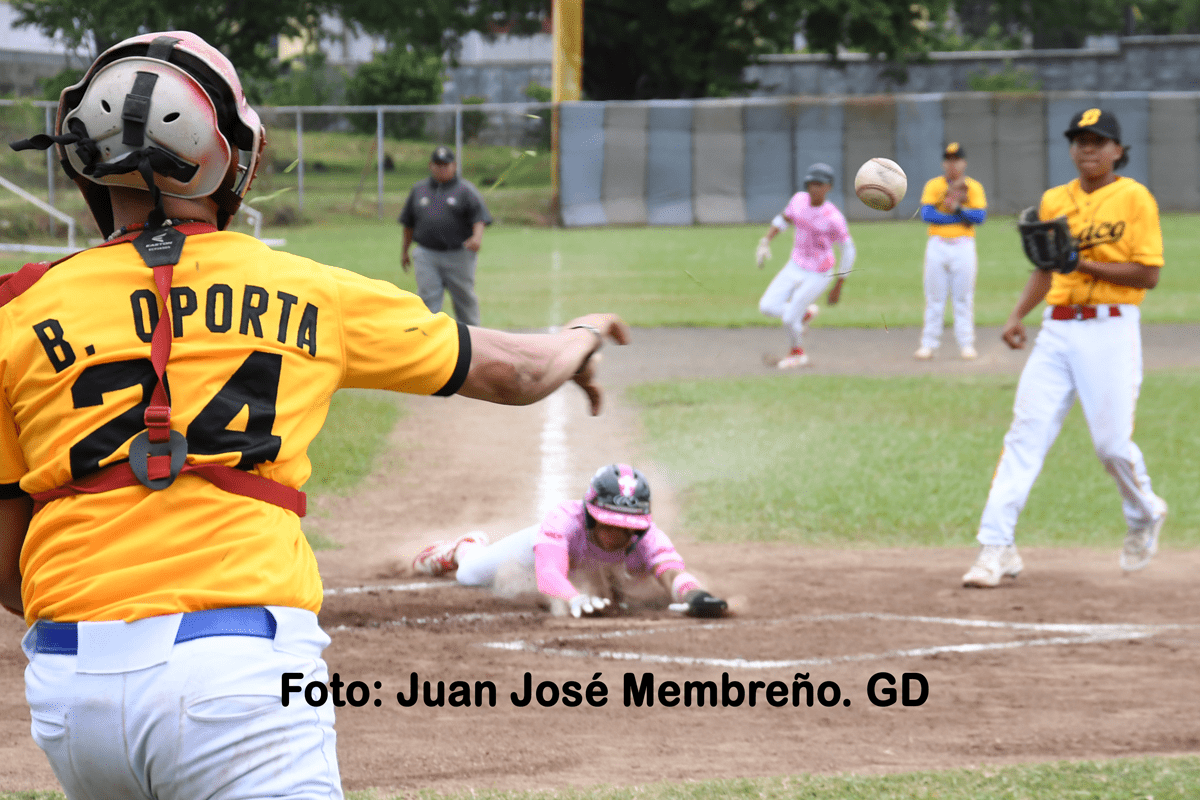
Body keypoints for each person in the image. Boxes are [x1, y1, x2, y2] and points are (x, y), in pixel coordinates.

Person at [2, 31, 629, 800]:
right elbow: (521, 373)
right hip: (237, 677)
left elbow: (7, 567)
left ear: (81, 155)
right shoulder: (306, 289)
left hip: (71, 691)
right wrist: (583, 334)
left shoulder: (16, 308)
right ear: (230, 157)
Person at [962, 108, 1168, 588]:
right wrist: (1017, 316)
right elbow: (1047, 267)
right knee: (1024, 437)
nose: (1087, 148)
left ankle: (1145, 513)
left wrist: (1083, 263)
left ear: (1118, 150)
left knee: (1111, 445)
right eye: (1079, 140)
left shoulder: (1136, 198)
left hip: (1112, 329)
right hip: (1057, 331)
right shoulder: (1055, 199)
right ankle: (995, 545)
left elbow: (1148, 274)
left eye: (1098, 140)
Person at [411, 464, 728, 619]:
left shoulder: (647, 537)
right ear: (591, 515)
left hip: (573, 566)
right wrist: (573, 597)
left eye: (627, 527)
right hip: (534, 552)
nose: (618, 535)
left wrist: (697, 596)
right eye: (610, 524)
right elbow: (548, 574)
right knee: (468, 576)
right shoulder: (564, 521)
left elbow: (672, 573)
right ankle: (463, 546)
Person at [755, 163, 856, 369]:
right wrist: (766, 240)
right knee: (767, 306)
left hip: (819, 272)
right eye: (811, 183)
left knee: (789, 319)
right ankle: (805, 314)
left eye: (820, 184)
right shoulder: (799, 200)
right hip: (796, 264)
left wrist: (839, 283)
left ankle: (797, 354)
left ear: (829, 187)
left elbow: (848, 250)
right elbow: (784, 219)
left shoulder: (833, 218)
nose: (814, 188)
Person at [399, 146, 491, 326]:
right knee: (427, 297)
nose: (442, 169)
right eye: (438, 165)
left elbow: (479, 218)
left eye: (446, 165)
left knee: (464, 298)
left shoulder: (465, 190)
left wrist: (477, 238)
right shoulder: (419, 190)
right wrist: (404, 251)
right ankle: (426, 338)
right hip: (427, 253)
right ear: (430, 166)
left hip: (459, 254)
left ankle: (473, 338)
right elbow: (408, 223)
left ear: (454, 166)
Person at [914, 142, 988, 361]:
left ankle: (966, 345)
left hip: (964, 245)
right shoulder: (934, 185)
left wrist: (958, 209)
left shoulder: (973, 187)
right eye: (948, 159)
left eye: (956, 159)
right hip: (937, 245)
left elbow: (980, 217)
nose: (952, 164)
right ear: (943, 163)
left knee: (963, 298)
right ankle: (928, 345)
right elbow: (927, 215)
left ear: (964, 163)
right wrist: (960, 215)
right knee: (934, 297)